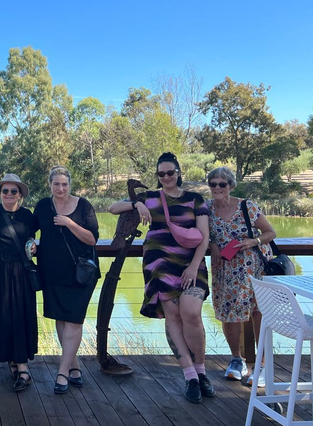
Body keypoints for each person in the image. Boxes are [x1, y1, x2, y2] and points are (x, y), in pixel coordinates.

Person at [108, 152, 213, 404]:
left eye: (170, 172)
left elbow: (204, 237)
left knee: (191, 312)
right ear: (157, 176)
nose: (166, 177)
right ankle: (190, 376)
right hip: (159, 263)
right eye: (161, 174)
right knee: (173, 315)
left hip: (191, 263)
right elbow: (112, 208)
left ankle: (201, 370)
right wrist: (137, 204)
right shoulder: (151, 197)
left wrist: (193, 267)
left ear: (179, 173)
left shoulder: (195, 199)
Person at [206, 166, 276, 388]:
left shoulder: (247, 206)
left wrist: (253, 241)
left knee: (258, 312)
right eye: (213, 184)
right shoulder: (206, 209)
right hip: (225, 268)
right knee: (229, 313)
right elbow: (201, 235)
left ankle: (262, 365)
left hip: (253, 268)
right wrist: (212, 244)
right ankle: (237, 360)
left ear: (231, 186)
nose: (217, 188)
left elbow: (270, 233)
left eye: (222, 184)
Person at [34, 166, 99, 394]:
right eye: (56, 184)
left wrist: (69, 223)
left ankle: (61, 372)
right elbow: (31, 231)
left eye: (64, 184)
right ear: (49, 184)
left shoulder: (84, 206)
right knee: (61, 320)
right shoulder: (42, 206)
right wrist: (29, 244)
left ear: (69, 184)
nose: (60, 188)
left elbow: (92, 239)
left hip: (80, 274)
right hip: (52, 273)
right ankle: (73, 365)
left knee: (74, 321)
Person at [0, 173, 39, 392]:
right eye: (6, 191)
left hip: (21, 274)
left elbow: (32, 239)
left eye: (14, 191)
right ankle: (9, 360)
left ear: (20, 194)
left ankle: (22, 367)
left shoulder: (27, 215)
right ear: (0, 193)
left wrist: (34, 246)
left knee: (20, 317)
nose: (10, 195)